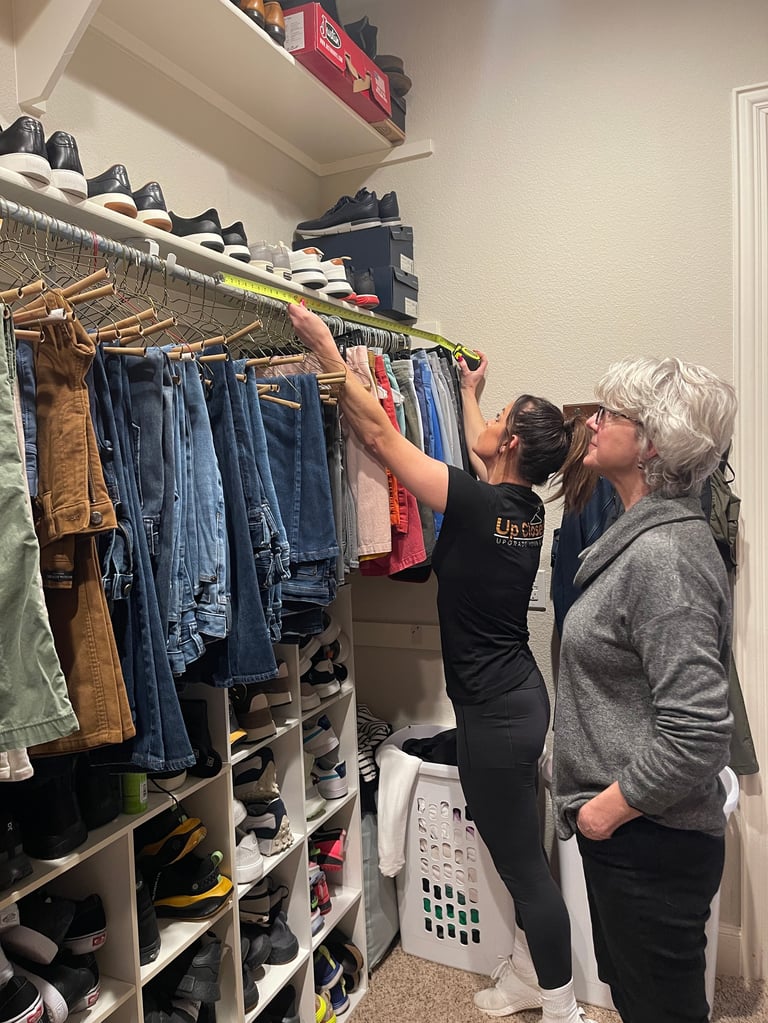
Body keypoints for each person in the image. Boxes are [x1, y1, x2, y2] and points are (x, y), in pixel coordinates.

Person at [288, 302, 594, 1023]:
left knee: (523, 865)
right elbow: (482, 458)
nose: (486, 430)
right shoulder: (519, 507)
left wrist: (328, 348)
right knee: (520, 855)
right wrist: (470, 392)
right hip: (517, 702)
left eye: (499, 418)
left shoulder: (482, 503)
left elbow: (379, 432)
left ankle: (563, 1007)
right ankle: (528, 976)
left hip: (498, 717)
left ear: (511, 440)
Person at [551, 356, 738, 1023]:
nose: (592, 422)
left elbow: (697, 731)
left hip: (647, 840)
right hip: (635, 839)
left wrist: (605, 810)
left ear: (652, 441)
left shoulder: (664, 556)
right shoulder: (638, 537)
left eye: (610, 414)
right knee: (640, 1001)